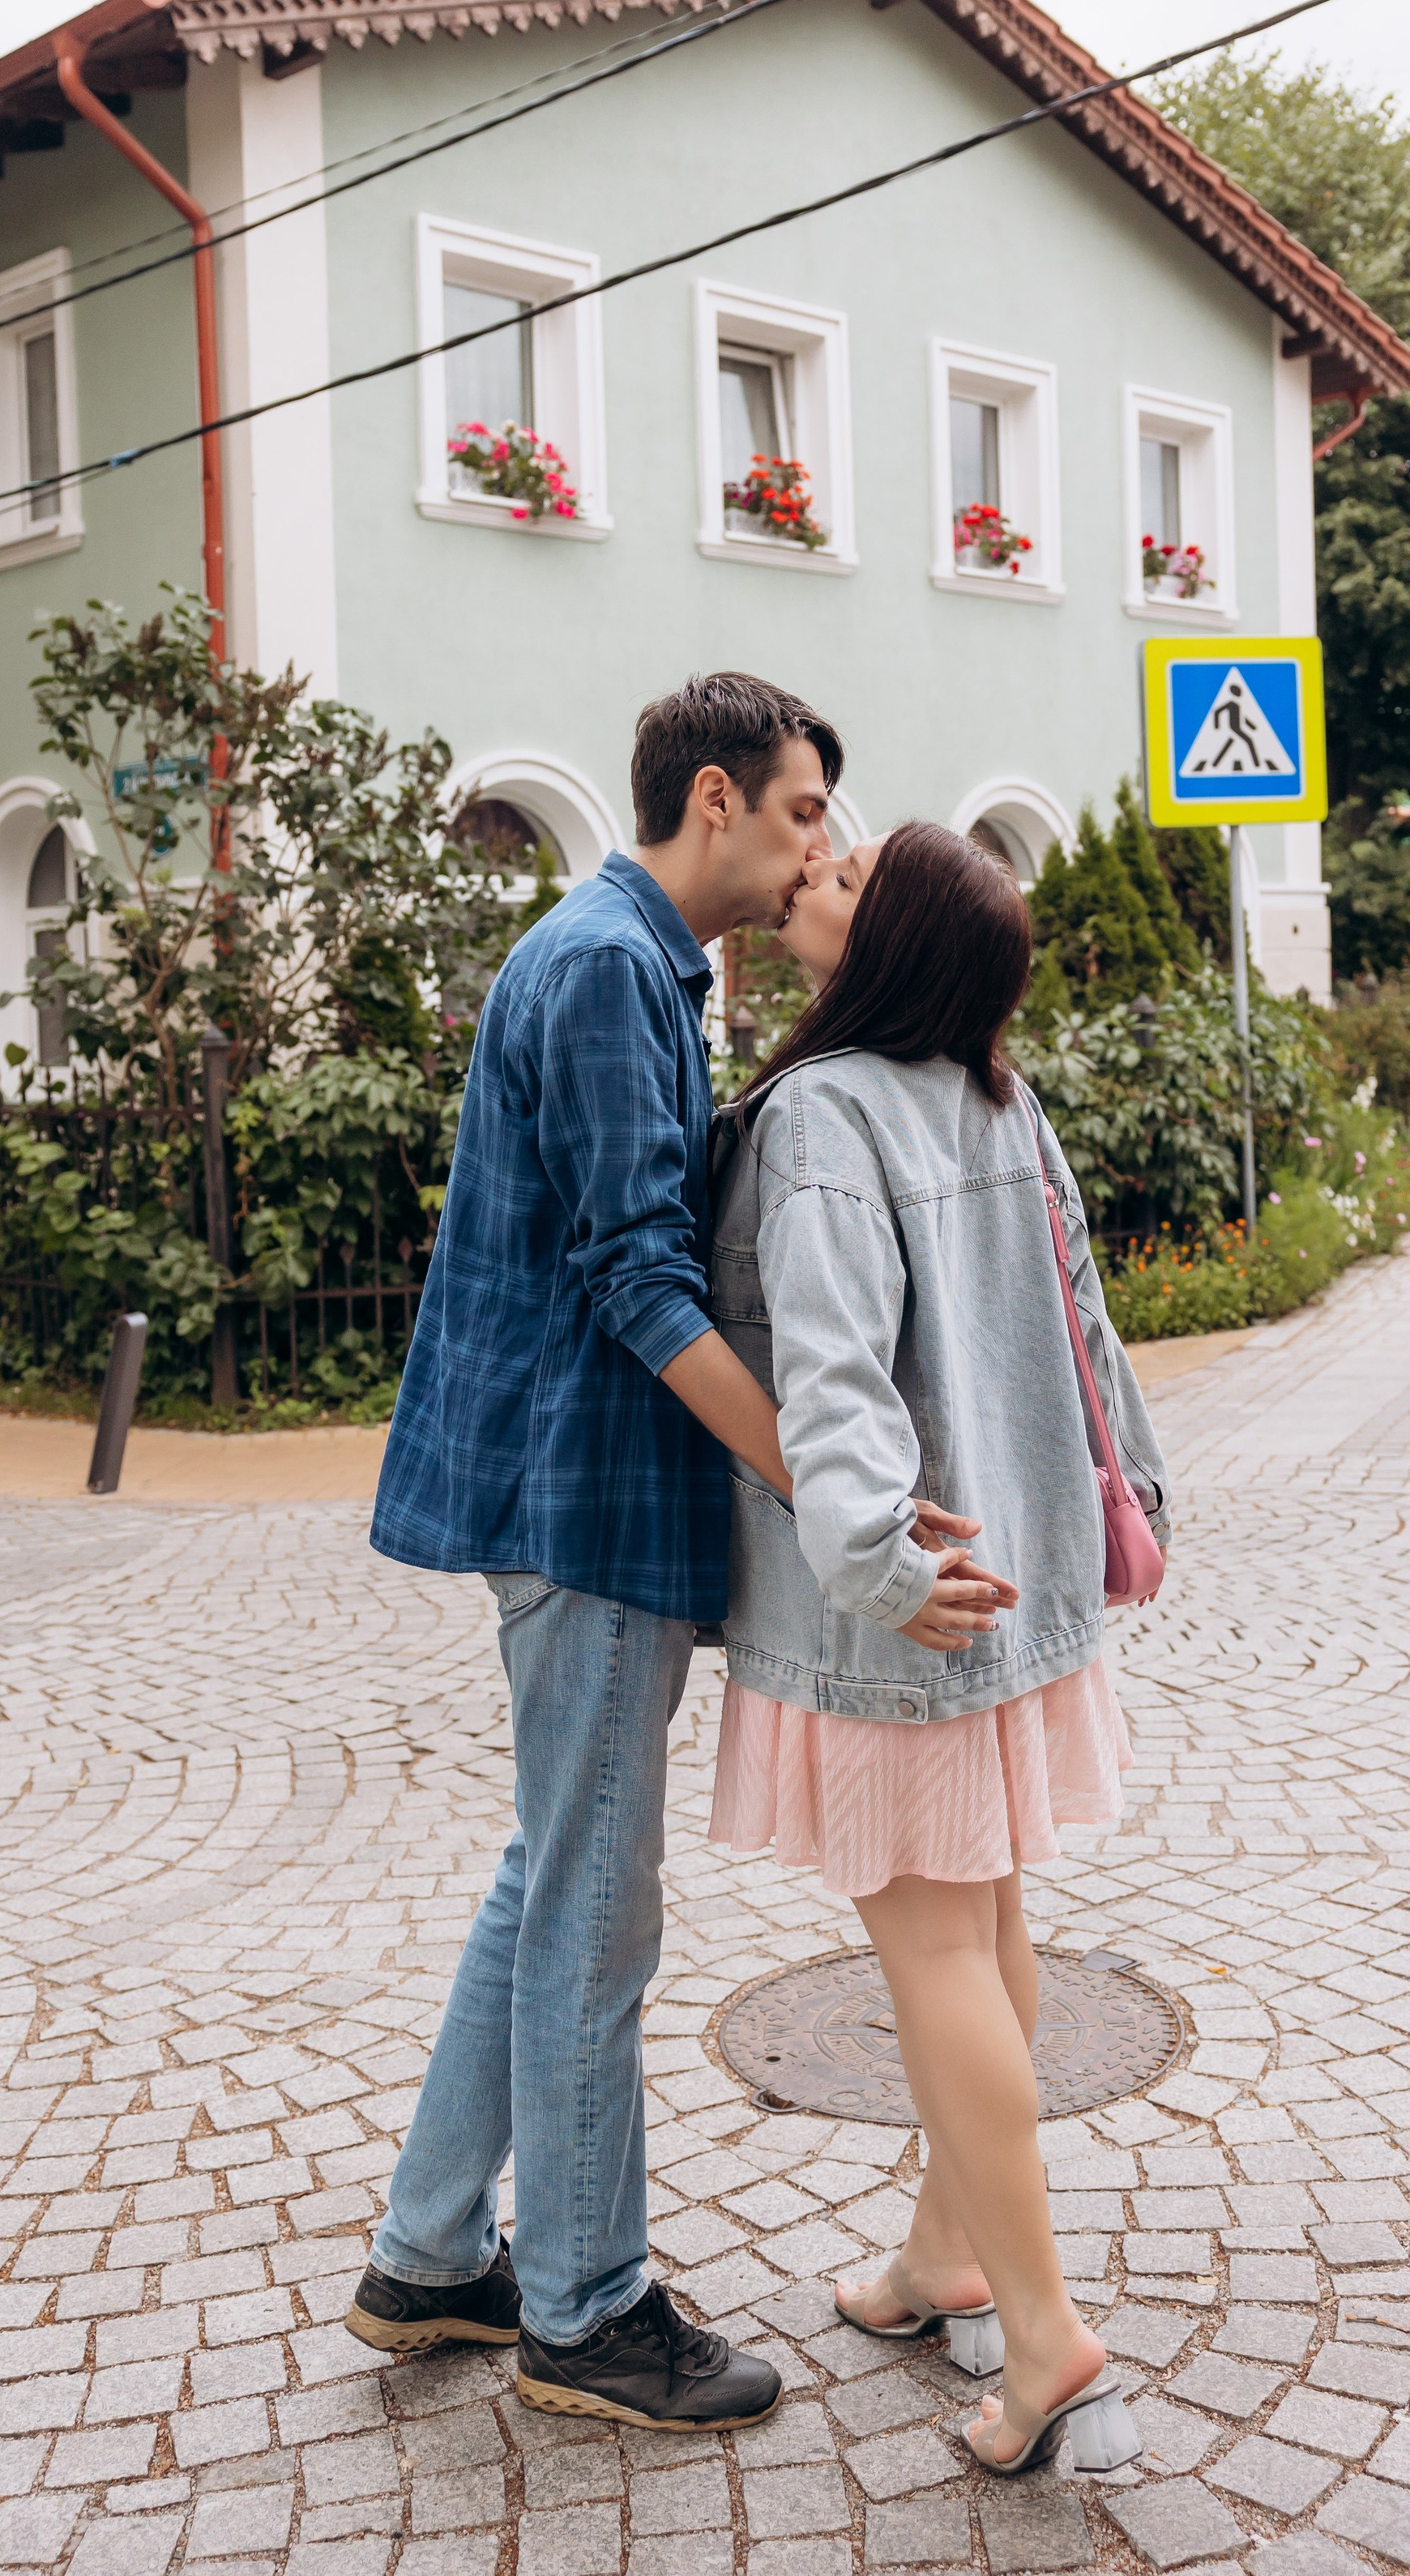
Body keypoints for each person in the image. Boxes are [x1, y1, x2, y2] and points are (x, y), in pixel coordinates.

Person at [347, 677, 977, 2432]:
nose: (811, 858)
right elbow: (636, 1281)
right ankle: (584, 2310)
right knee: (591, 1917)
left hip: (571, 1491)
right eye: (798, 817)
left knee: (545, 1876)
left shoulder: (621, 956)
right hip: (589, 1499)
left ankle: (428, 2258)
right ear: (715, 797)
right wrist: (824, 1493)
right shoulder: (614, 965)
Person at [705, 822, 1169, 2478]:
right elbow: (1086, 1316)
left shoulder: (825, 1114)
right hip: (1015, 1574)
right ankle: (940, 2260)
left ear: (887, 939)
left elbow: (827, 1382)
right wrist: (1137, 1494)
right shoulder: (993, 1090)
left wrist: (871, 1559)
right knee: (984, 1925)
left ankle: (1041, 2341)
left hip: (913, 1597)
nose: (807, 876)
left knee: (931, 1953)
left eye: (840, 877)